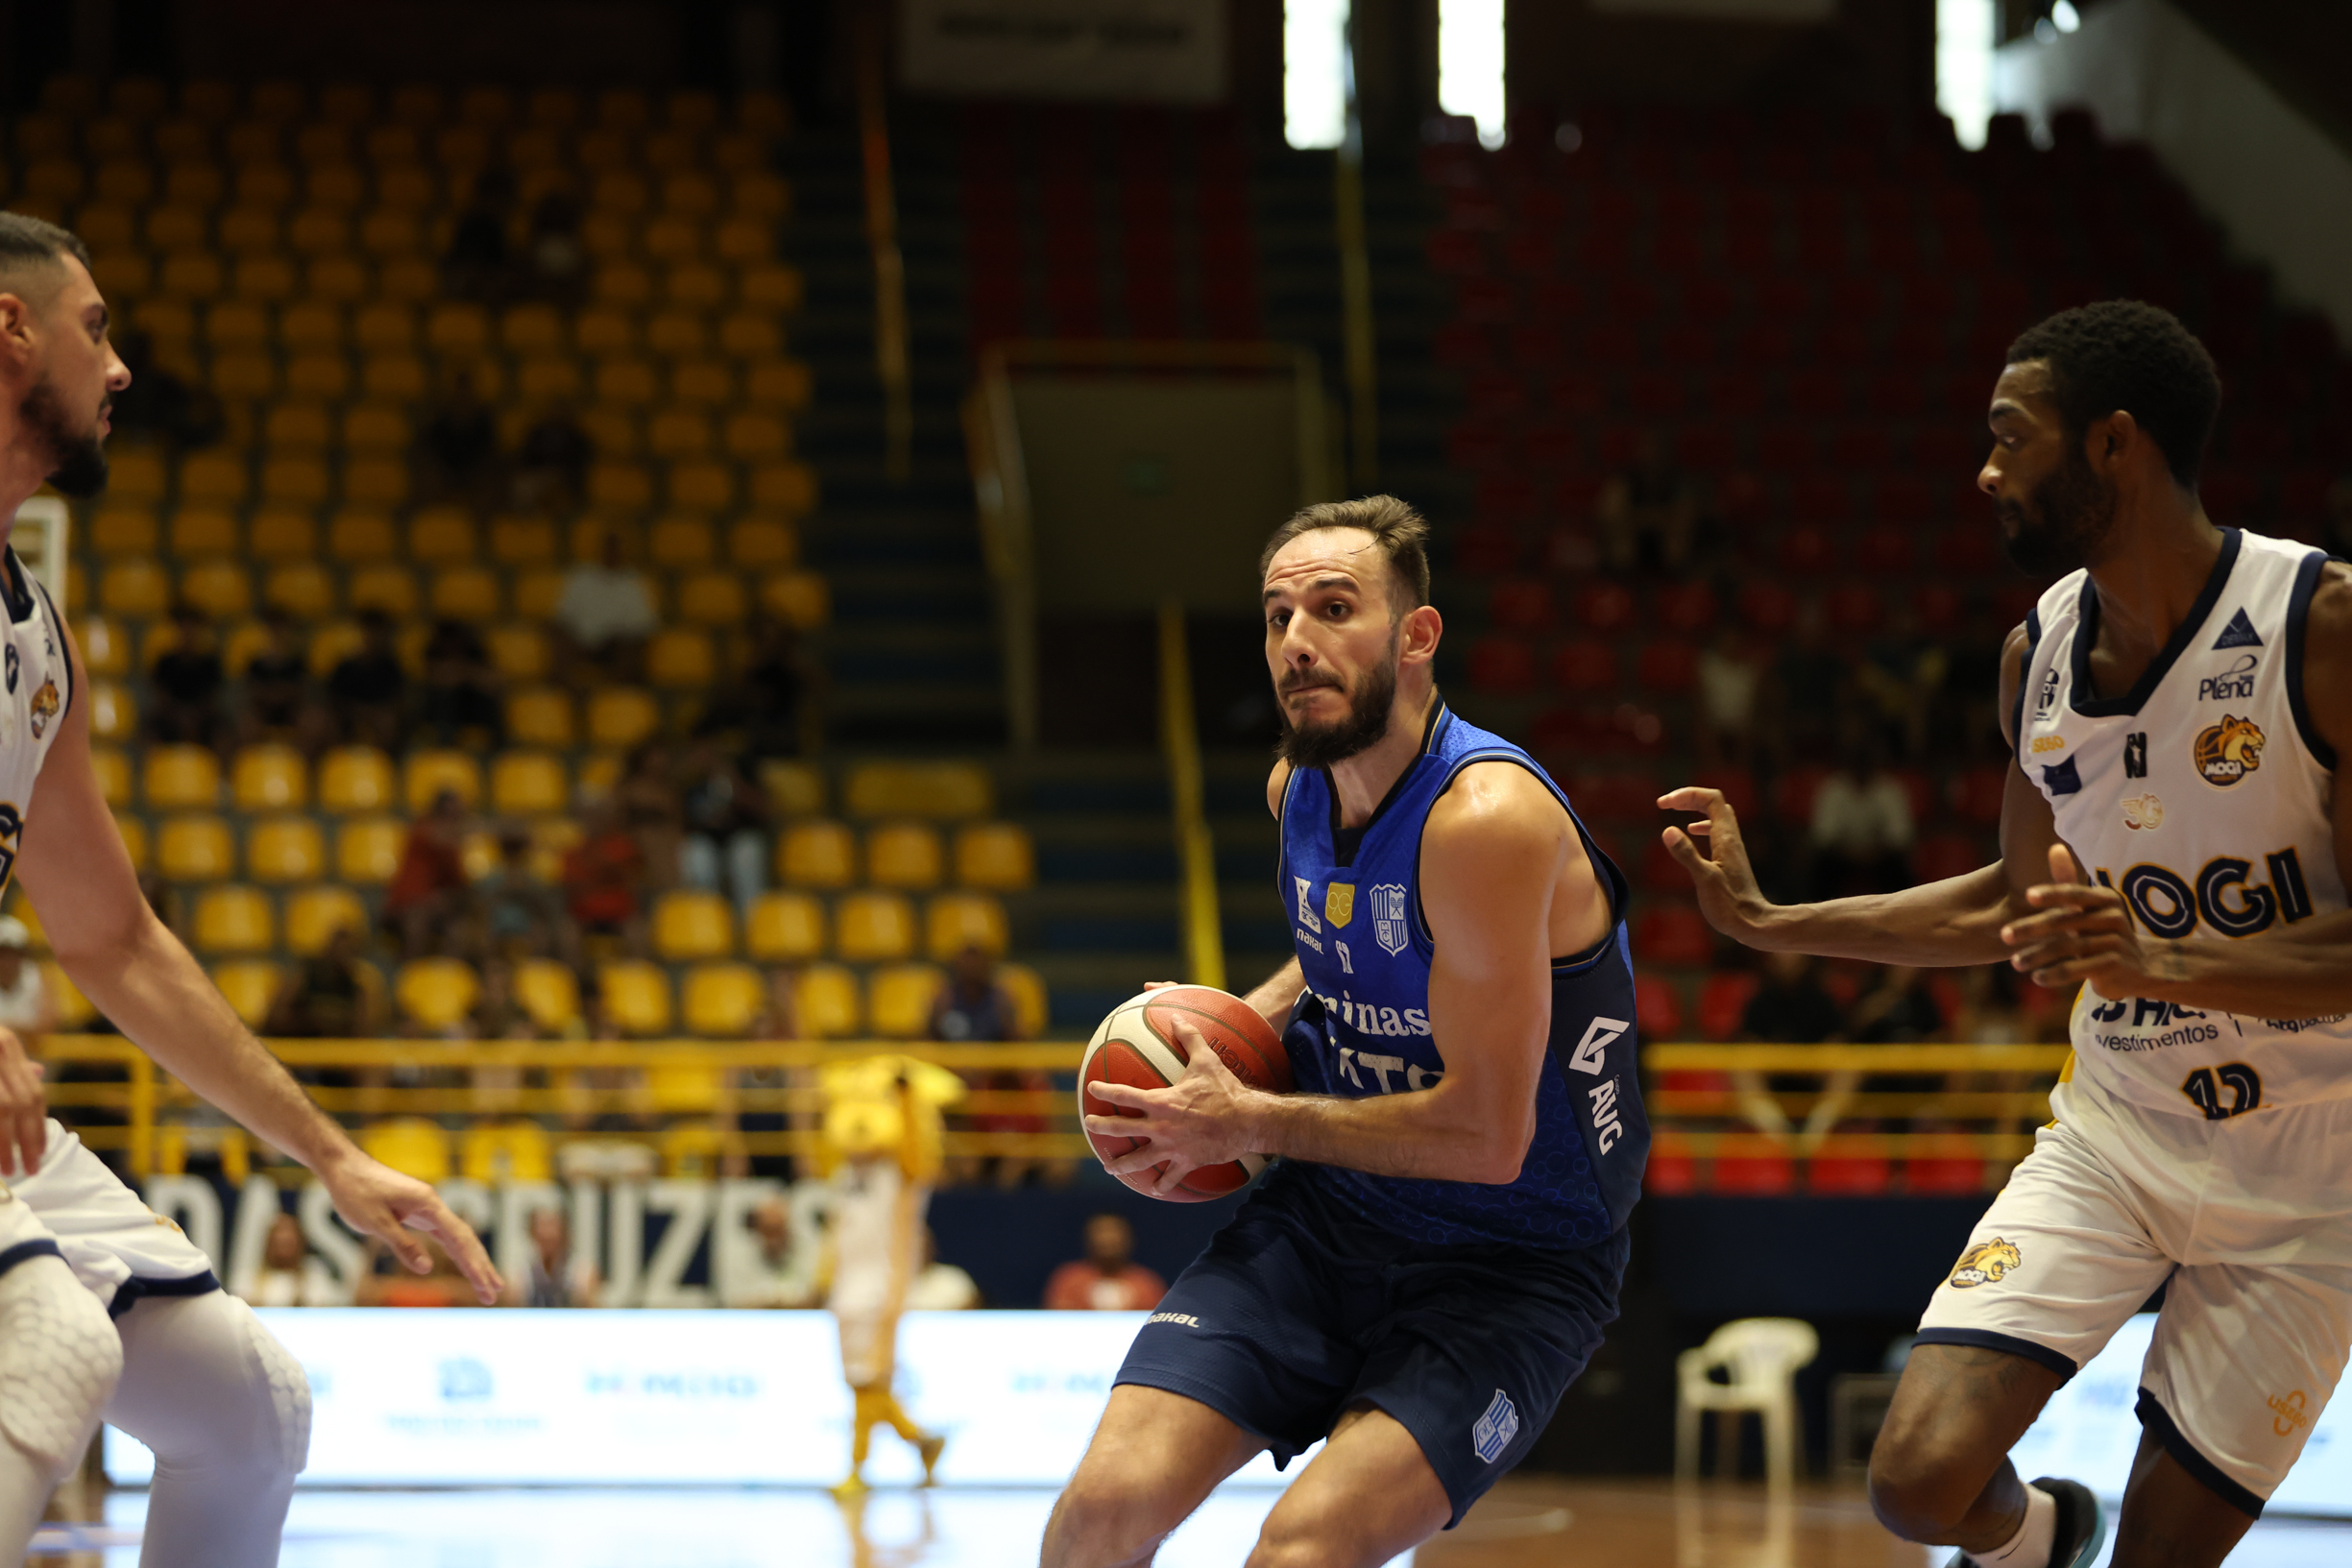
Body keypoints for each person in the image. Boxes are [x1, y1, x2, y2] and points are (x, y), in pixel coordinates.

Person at [1661, 301, 2352, 1568]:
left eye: (2010, 435)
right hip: (2120, 1134)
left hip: (2314, 1175)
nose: (1985, 470)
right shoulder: (2034, 655)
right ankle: (2041, 1539)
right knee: (1916, 1484)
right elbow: (2011, 900)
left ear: (2112, 444)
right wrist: (1769, 921)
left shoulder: (2322, 627)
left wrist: (2157, 960)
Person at [0, 212, 499, 1564]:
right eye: (96, 328)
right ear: (10, 330)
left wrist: (328, 1151)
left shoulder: (35, 641)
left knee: (249, 1409)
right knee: (49, 1344)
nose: (121, 366)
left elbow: (113, 937)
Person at [1049, 497, 1645, 1567]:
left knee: (1301, 1550)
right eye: (1277, 616)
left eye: (1333, 608)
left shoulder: (1483, 819)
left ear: (1415, 636)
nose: (1296, 640)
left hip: (1512, 1258)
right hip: (1327, 1220)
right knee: (1099, 1513)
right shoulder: (1297, 790)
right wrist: (1239, 1021)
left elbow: (1487, 1136)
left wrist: (1248, 1118)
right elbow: (1348, 943)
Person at [676, 738, 769, 913]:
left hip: (738, 838)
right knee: (696, 852)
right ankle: (707, 917)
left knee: (747, 850)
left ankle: (751, 918)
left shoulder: (742, 772)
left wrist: (733, 781)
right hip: (707, 841)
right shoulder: (689, 784)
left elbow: (764, 811)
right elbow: (682, 823)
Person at [553, 529, 658, 684]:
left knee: (632, 647)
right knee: (558, 637)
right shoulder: (581, 578)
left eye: (615, 548)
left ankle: (616, 690)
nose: (611, 552)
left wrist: (615, 635)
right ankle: (569, 688)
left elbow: (645, 625)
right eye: (608, 547)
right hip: (582, 643)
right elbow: (563, 616)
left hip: (616, 646)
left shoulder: (634, 583)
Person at [382, 789, 473, 958]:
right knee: (417, 918)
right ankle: (411, 969)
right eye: (447, 815)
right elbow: (440, 837)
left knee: (460, 927)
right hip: (406, 905)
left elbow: (459, 886)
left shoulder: (453, 851)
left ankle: (449, 971)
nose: (452, 821)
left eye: (457, 816)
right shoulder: (422, 828)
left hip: (436, 908)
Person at [1042, 1214, 1165, 1312]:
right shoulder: (1069, 1279)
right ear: (1088, 1238)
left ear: (1129, 1239)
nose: (1107, 1239)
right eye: (1101, 1232)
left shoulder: (1146, 1283)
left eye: (1114, 1232)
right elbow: (1058, 1321)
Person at [145, 602, 225, 750]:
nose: (187, 632)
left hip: (202, 718)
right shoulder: (165, 663)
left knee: (220, 731)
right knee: (152, 729)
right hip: (171, 718)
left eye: (192, 627)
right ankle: (154, 763)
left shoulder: (209, 663)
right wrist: (180, 717)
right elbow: (162, 697)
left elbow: (212, 699)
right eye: (183, 627)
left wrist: (194, 717)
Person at [327, 609, 407, 751]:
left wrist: (373, 713)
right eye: (368, 632)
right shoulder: (346, 667)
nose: (372, 638)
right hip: (349, 715)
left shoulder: (391, 667)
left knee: (387, 721)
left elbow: (397, 701)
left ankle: (382, 760)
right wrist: (358, 712)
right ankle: (337, 758)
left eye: (377, 632)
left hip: (379, 716)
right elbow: (335, 699)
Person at [415, 618, 502, 748]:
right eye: (447, 640)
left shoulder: (474, 652)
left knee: (489, 700)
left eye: (454, 640)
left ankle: (494, 746)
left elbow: (491, 681)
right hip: (443, 710)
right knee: (442, 698)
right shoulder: (434, 651)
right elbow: (437, 679)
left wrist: (463, 672)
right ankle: (443, 743)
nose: (451, 645)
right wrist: (463, 672)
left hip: (472, 705)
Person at [723, 1194, 820, 1308]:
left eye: (778, 1230)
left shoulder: (806, 1253)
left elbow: (813, 1296)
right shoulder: (740, 1256)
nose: (774, 1239)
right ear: (757, 1229)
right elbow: (734, 1299)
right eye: (768, 1230)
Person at [239, 1213, 341, 1309]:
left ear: (300, 1244)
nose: (283, 1248)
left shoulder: (316, 1282)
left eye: (288, 1243)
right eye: (278, 1243)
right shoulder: (247, 1281)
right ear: (268, 1244)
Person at [506, 1207, 599, 1308]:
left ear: (565, 1232)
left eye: (552, 1226)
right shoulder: (521, 1272)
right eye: (542, 1226)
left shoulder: (581, 1270)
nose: (548, 1233)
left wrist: (585, 1297)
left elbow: (595, 1309)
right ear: (532, 1232)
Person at [0, 917, 52, 1042]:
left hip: (29, 1051)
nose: (8, 961)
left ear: (23, 954)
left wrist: (10, 1028)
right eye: (3, 953)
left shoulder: (35, 976)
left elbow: (49, 1022)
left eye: (13, 953)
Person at [905, 1226, 981, 1311]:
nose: (917, 1250)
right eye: (910, 1245)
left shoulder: (952, 1278)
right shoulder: (894, 1283)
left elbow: (970, 1310)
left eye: (922, 1244)